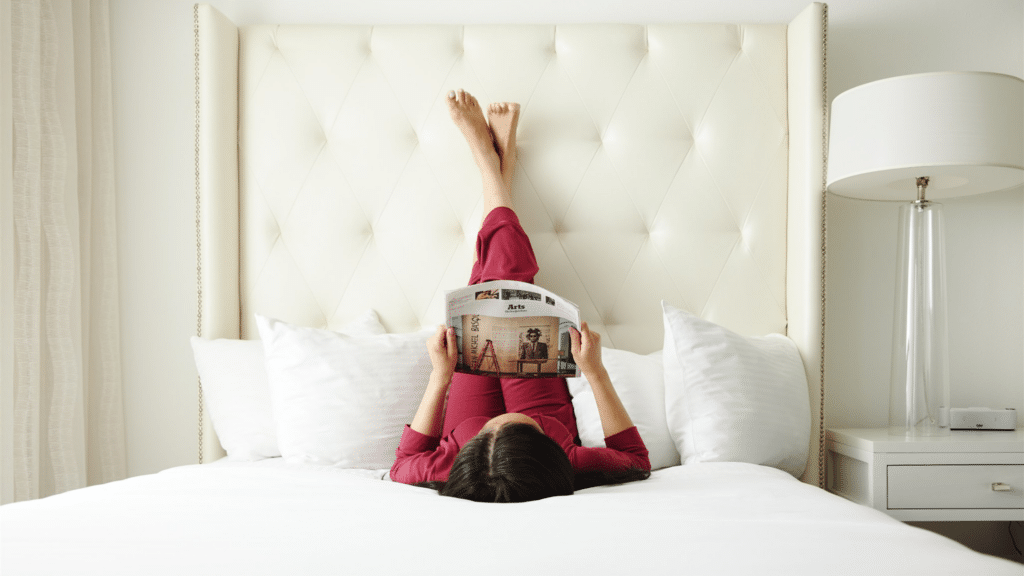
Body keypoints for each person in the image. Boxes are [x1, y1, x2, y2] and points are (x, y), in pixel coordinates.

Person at [389, 89, 650, 502]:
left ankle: (491, 167)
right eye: (519, 425)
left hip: (464, 424)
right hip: (543, 408)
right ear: (551, 451)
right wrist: (595, 371)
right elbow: (635, 460)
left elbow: (401, 467)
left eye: (492, 429)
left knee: (492, 289)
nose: (501, 419)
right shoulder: (566, 460)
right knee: (506, 282)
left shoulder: (452, 462)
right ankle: (493, 169)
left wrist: (440, 374)